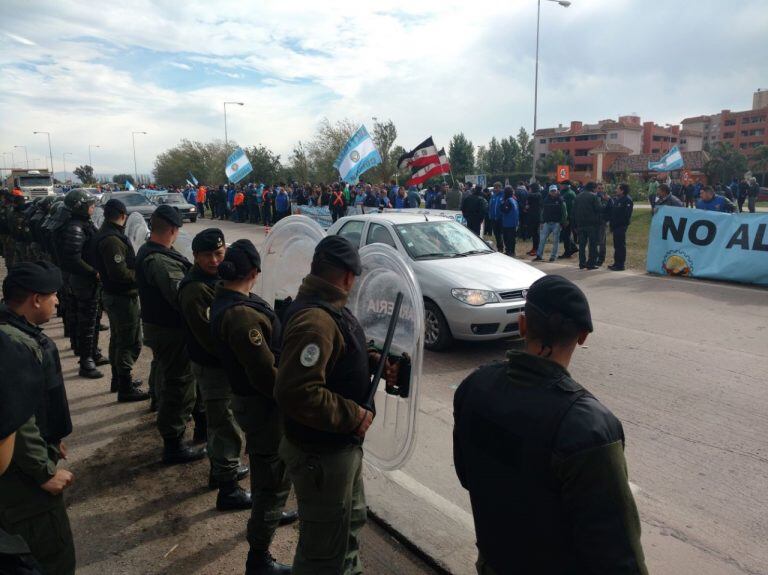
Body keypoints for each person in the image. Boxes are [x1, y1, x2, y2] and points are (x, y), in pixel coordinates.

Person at [453, 274, 648, 575]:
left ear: (522, 324)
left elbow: (467, 475)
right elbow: (617, 553)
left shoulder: (474, 386)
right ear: (582, 336)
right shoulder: (588, 428)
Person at [275, 236, 396, 574]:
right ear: (346, 276)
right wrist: (353, 414)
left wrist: (373, 361)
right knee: (322, 552)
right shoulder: (316, 320)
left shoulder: (329, 309)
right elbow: (297, 392)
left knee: (346, 527)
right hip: (322, 455)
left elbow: (338, 356)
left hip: (338, 448)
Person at [210, 239, 300, 575]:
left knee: (271, 475)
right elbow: (265, 375)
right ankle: (259, 558)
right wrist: (296, 396)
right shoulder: (241, 317)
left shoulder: (231, 301)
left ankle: (271, 516)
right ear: (254, 272)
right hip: (262, 408)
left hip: (253, 403)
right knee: (271, 482)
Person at [0, 262, 77, 575]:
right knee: (51, 556)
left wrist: (53, 440)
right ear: (34, 299)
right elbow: (16, 420)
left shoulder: (13, 333)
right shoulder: (14, 347)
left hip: (21, 468)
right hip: (22, 483)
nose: (56, 301)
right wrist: (44, 472)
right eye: (52, 295)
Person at [178, 228, 250, 509]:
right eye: (207, 255)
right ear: (195, 256)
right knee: (225, 425)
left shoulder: (215, 279)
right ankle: (228, 489)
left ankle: (221, 471)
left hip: (220, 365)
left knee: (223, 421)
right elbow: (208, 338)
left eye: (219, 254)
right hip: (212, 366)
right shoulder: (196, 288)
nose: (214, 260)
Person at [136, 205, 206, 464]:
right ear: (174, 230)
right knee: (179, 384)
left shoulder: (155, 251)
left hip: (162, 328)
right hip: (170, 331)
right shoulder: (160, 260)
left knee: (170, 376)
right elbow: (182, 298)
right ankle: (173, 443)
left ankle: (177, 423)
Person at [90, 199, 149, 401]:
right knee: (129, 341)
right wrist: (141, 274)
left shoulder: (108, 234)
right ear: (123, 215)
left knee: (118, 339)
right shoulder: (112, 240)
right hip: (122, 297)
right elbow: (120, 273)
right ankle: (125, 386)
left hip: (115, 295)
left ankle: (119, 379)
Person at [58, 189, 108, 378]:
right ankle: (86, 362)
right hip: (83, 281)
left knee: (93, 318)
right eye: (89, 205)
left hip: (87, 281)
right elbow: (73, 259)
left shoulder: (83, 224)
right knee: (86, 321)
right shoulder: (75, 228)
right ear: (79, 207)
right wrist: (93, 272)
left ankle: (93, 353)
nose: (93, 207)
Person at [573, 182, 603, 270]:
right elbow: (599, 209)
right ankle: (591, 264)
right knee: (592, 245)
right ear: (593, 188)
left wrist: (574, 225)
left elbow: (573, 211)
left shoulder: (578, 196)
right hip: (592, 225)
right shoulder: (594, 196)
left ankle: (582, 263)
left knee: (582, 245)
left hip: (580, 224)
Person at [533, 185, 566, 262]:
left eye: (554, 190)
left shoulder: (560, 200)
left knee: (555, 241)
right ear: (549, 192)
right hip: (546, 223)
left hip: (556, 223)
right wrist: (541, 221)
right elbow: (542, 212)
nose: (553, 192)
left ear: (557, 191)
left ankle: (553, 256)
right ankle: (539, 255)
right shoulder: (546, 200)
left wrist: (563, 222)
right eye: (552, 191)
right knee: (542, 240)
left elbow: (564, 212)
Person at [608, 183, 634, 271]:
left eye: (618, 189)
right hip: (615, 227)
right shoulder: (618, 199)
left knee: (620, 246)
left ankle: (620, 265)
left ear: (622, 190)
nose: (616, 190)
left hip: (621, 226)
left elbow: (626, 215)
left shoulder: (627, 200)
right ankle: (616, 263)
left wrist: (619, 224)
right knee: (616, 245)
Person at [559, 181, 577, 257]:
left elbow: (568, 208)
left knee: (565, 235)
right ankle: (572, 248)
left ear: (566, 185)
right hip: (566, 217)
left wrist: (566, 219)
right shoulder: (565, 192)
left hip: (567, 217)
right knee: (565, 234)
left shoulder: (569, 194)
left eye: (562, 185)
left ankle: (568, 252)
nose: (560, 186)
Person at [500, 186, 519, 257]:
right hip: (514, 222)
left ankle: (509, 251)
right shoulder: (514, 200)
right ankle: (512, 251)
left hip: (508, 222)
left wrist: (502, 204)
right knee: (512, 238)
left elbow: (505, 210)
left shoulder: (507, 201)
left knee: (507, 238)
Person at [595, 183, 610, 267]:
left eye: (602, 188)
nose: (600, 190)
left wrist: (606, 200)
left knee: (602, 242)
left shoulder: (607, 198)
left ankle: (601, 259)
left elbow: (607, 209)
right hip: (595, 222)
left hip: (603, 222)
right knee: (594, 241)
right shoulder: (594, 197)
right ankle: (595, 257)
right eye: (599, 188)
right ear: (596, 189)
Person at [487, 182, 505, 252]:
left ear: (501, 188)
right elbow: (490, 206)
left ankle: (502, 247)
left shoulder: (503, 195)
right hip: (493, 219)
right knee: (496, 234)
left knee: (501, 234)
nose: (496, 189)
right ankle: (499, 248)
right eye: (495, 188)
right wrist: (490, 215)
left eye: (497, 187)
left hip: (501, 218)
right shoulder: (493, 196)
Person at [526, 183, 542, 256]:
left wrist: (528, 193)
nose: (529, 190)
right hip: (532, 216)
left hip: (536, 217)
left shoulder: (538, 194)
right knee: (533, 234)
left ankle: (536, 249)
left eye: (530, 188)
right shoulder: (533, 195)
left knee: (536, 234)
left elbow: (531, 196)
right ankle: (534, 248)